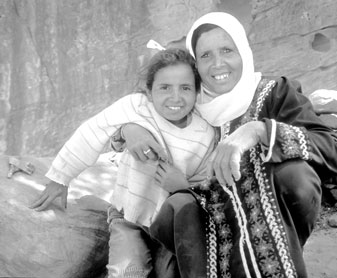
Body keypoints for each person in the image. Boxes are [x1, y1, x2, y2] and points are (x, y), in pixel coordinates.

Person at [118, 12, 337, 278]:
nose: (217, 64)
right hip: (201, 217)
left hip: (269, 219)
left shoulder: (275, 93)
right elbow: (141, 109)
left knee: (296, 176)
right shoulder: (188, 100)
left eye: (227, 50)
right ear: (195, 64)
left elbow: (332, 149)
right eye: (205, 56)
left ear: (243, 51)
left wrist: (259, 130)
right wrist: (126, 129)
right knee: (179, 206)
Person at [29, 48, 216, 278]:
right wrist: (60, 178)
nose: (175, 97)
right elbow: (92, 132)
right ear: (149, 90)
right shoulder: (136, 107)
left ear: (197, 92)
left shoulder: (204, 134)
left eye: (185, 88)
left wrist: (183, 186)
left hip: (170, 226)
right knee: (128, 271)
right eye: (164, 87)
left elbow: (205, 185)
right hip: (127, 217)